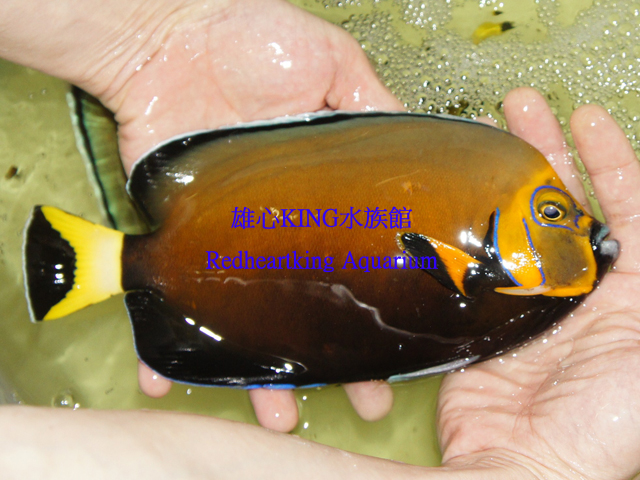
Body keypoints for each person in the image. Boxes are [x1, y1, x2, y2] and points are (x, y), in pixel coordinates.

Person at [1, 1, 639, 478]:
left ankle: (114, 262)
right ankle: (117, 263)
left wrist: (155, 33)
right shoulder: (509, 224)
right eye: (553, 213)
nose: (581, 229)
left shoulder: (521, 290)